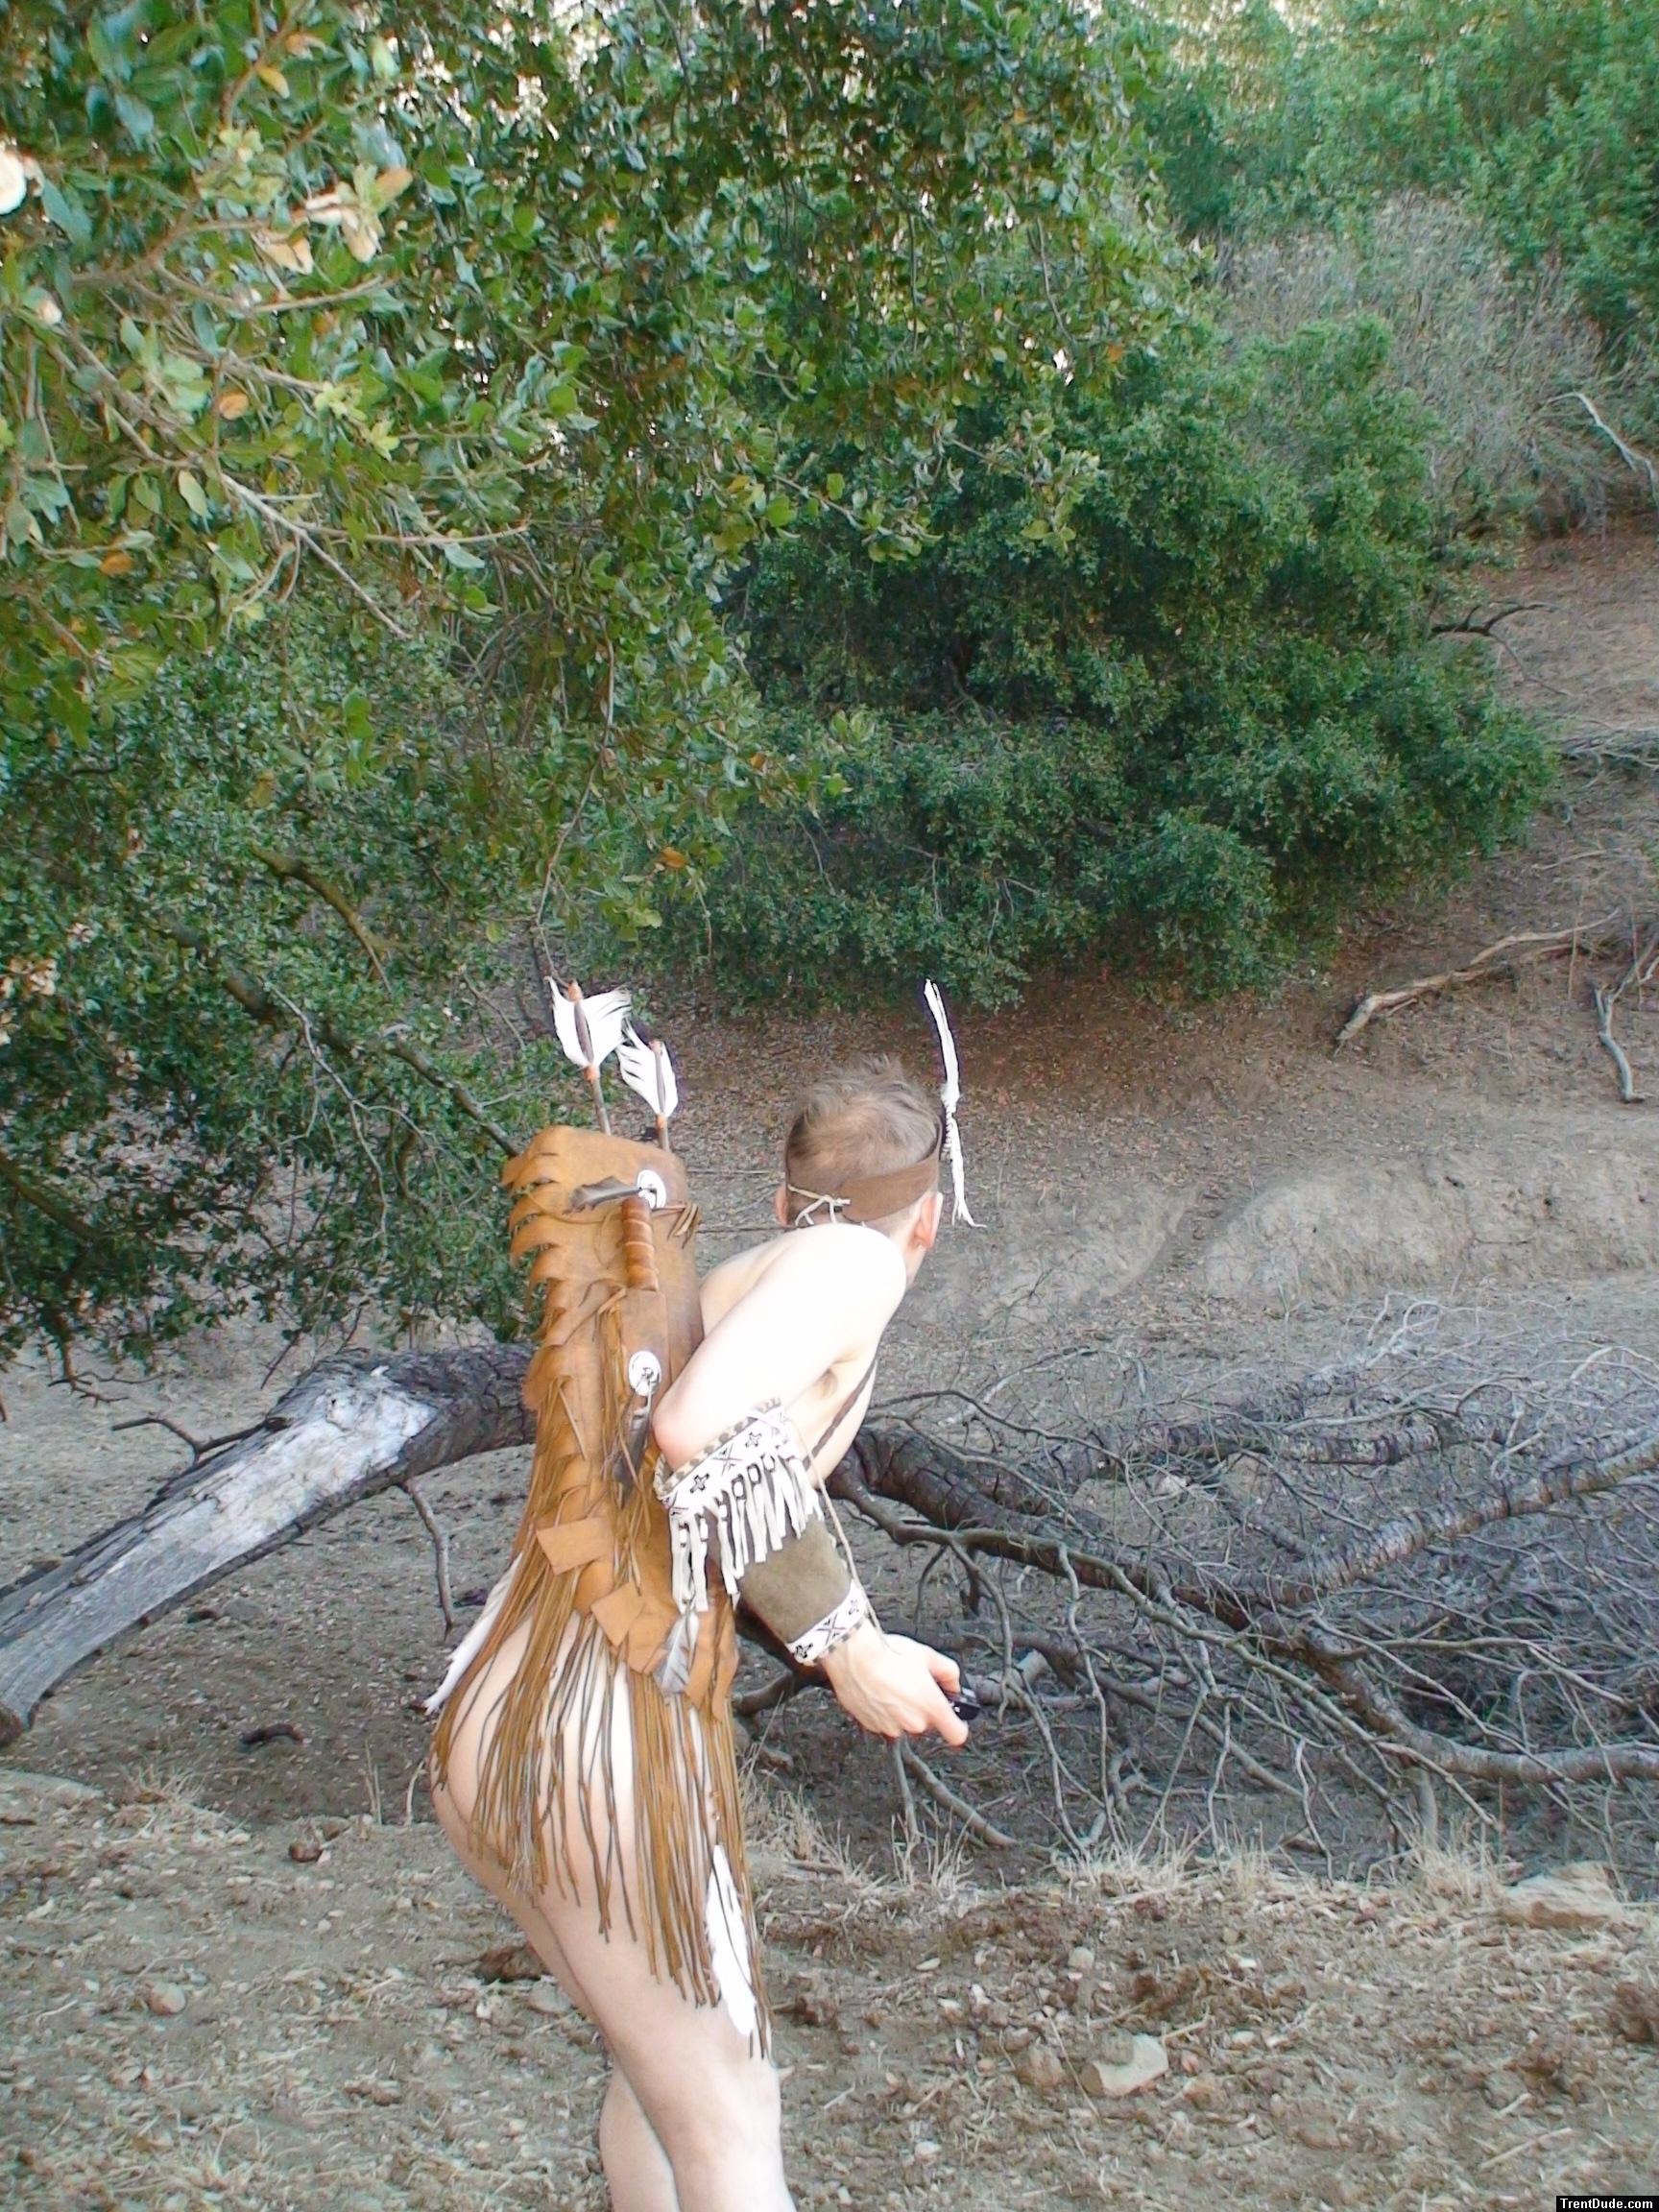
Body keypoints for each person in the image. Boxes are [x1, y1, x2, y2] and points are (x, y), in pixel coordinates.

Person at [429, 1055, 970, 2212]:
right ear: (927, 1216)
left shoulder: (755, 1280)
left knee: (664, 2089)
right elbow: (695, 1428)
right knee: (730, 2116)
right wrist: (848, 1643)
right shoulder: (853, 1262)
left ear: (780, 1199)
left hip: (511, 1720)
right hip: (592, 1736)